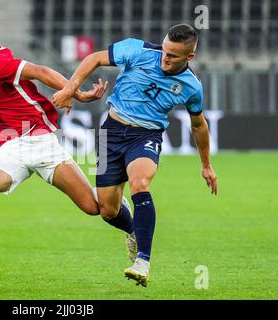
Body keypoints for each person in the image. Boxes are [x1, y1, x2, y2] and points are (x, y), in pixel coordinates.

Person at [0, 17, 137, 273]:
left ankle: (132, 227)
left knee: (96, 208)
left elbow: (40, 72)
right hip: (12, 147)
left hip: (39, 141)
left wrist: (76, 92)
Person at [52, 24, 218, 287]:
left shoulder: (191, 86)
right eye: (164, 50)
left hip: (146, 136)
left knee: (140, 183)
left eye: (173, 56)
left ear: (190, 57)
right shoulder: (137, 50)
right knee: (106, 210)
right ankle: (131, 229)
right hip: (110, 133)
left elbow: (199, 124)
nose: (165, 57)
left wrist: (206, 165)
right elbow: (94, 58)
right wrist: (71, 88)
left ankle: (142, 261)